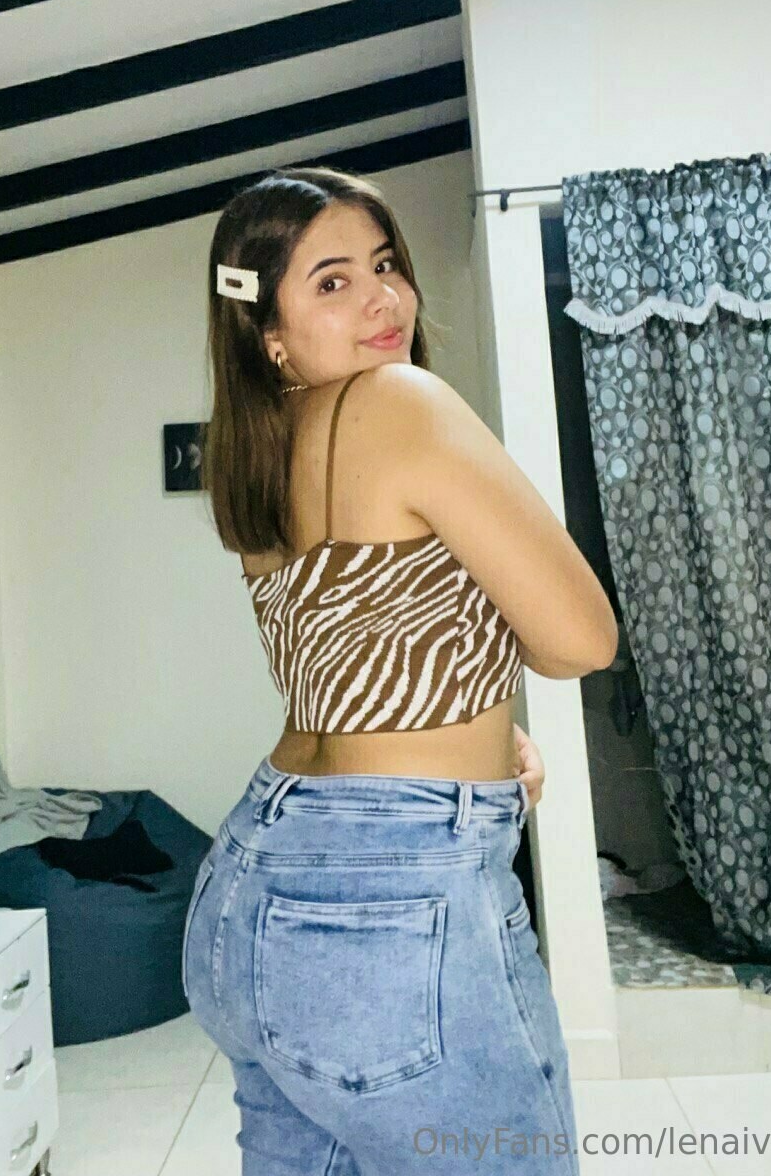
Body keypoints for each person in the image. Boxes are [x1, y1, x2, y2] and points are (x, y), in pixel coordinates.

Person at [182, 165, 618, 1174]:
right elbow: (582, 639)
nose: (383, 298)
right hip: (390, 892)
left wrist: (486, 727)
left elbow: (348, 656)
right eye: (332, 281)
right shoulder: (399, 401)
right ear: (267, 330)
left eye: (384, 265)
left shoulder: (253, 454)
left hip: (250, 884)